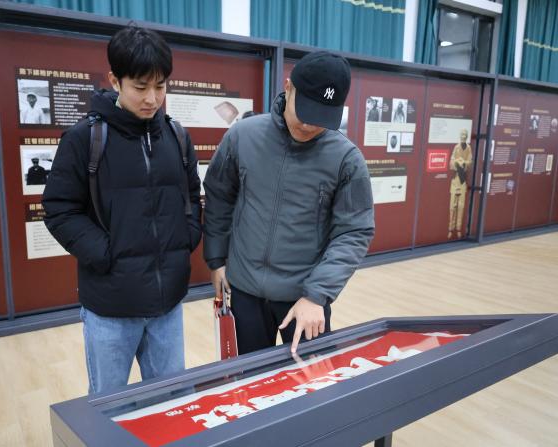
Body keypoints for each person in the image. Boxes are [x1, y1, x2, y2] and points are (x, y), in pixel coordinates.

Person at [42, 25, 202, 393]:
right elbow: (59, 209)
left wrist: (186, 239)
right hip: (110, 305)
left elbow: (192, 197)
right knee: (108, 405)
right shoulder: (84, 138)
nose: (152, 98)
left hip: (168, 304)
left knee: (172, 402)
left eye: (160, 86)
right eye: (140, 87)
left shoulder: (177, 137)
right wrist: (106, 253)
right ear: (115, 80)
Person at [203, 51, 375, 355]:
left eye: (321, 118)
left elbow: (354, 232)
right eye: (304, 112)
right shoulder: (242, 136)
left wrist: (317, 294)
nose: (308, 125)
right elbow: (219, 196)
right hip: (244, 291)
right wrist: (216, 259)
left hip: (305, 298)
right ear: (288, 87)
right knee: (247, 380)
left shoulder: (347, 160)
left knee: (311, 380)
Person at [448, 129, 473, 239]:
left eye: (465, 135)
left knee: (461, 206)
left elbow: (470, 162)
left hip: (463, 181)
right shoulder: (456, 147)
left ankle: (458, 229)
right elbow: (451, 162)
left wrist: (463, 163)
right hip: (455, 180)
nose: (463, 136)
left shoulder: (468, 148)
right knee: (452, 206)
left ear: (467, 136)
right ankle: (450, 228)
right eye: (462, 134)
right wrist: (457, 162)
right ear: (460, 136)